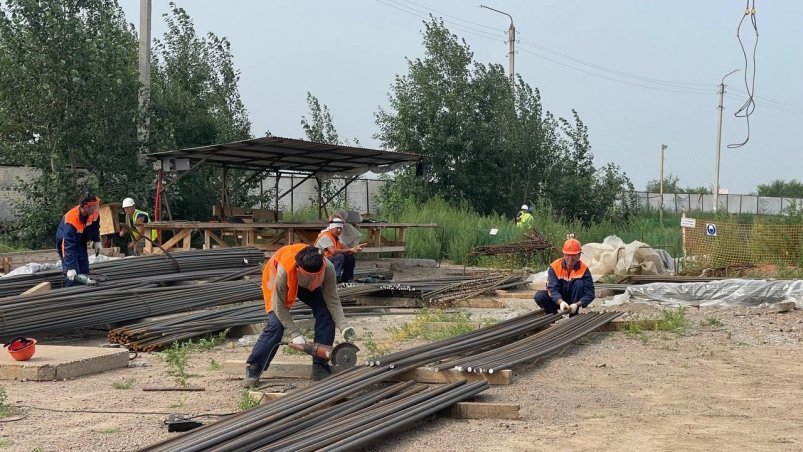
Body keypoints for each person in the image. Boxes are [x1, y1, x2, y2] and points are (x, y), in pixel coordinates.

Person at [243, 244, 356, 387]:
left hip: (305, 284)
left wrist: (344, 326)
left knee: (326, 314)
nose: (314, 279)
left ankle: (319, 366)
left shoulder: (328, 268)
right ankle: (254, 368)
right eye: (310, 277)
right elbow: (279, 306)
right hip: (276, 276)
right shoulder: (284, 272)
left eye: (317, 276)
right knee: (276, 324)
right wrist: (295, 333)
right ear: (298, 269)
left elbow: (332, 299)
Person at [534, 238, 595, 316]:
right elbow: (552, 289)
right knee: (539, 296)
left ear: (579, 255)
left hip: (574, 302)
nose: (570, 258)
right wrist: (561, 302)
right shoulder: (555, 267)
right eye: (568, 255)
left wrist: (577, 305)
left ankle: (573, 316)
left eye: (573, 255)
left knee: (579, 283)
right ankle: (551, 315)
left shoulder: (584, 270)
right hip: (557, 300)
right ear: (563, 254)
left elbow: (589, 293)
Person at [55, 192, 102, 287]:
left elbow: (94, 226)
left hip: (80, 241)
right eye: (94, 206)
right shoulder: (71, 220)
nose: (96, 208)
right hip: (67, 245)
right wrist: (70, 267)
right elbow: (68, 245)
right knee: (73, 275)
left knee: (84, 270)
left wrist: (96, 240)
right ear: (86, 207)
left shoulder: (93, 212)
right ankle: (72, 294)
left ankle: (84, 292)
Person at [314, 217, 365, 283]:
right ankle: (334, 278)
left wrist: (355, 249)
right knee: (339, 256)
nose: (339, 230)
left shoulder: (337, 238)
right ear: (331, 228)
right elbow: (333, 251)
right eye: (337, 228)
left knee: (350, 257)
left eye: (340, 228)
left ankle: (347, 278)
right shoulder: (325, 236)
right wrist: (350, 250)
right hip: (320, 260)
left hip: (330, 259)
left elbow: (347, 249)